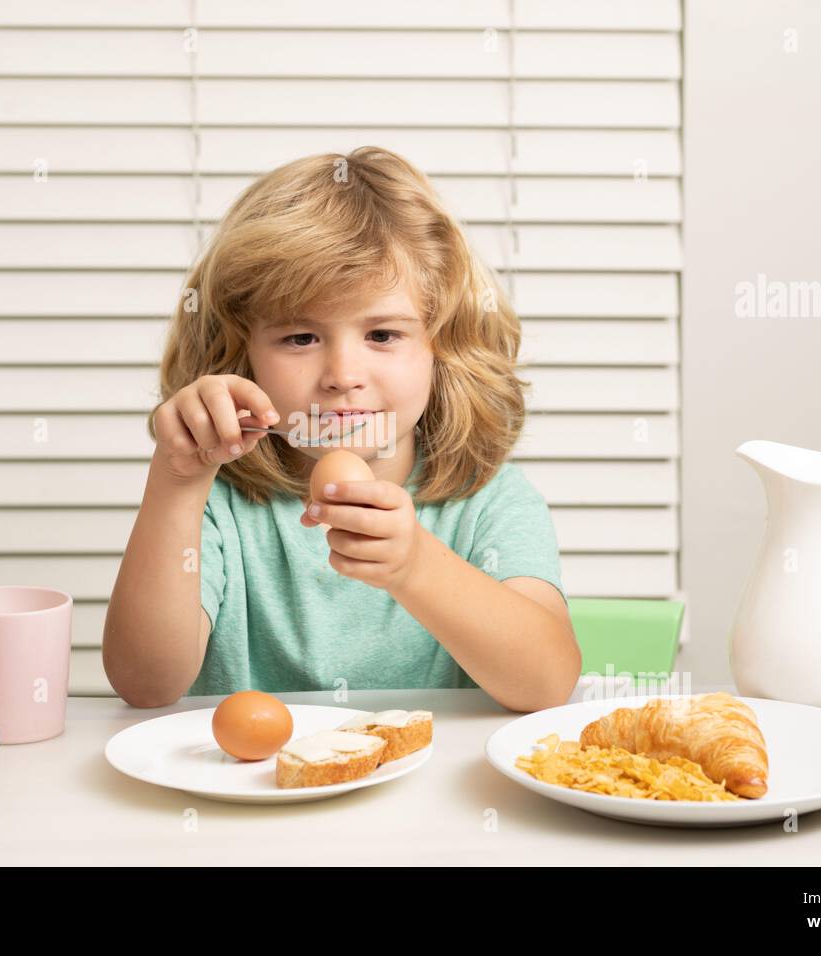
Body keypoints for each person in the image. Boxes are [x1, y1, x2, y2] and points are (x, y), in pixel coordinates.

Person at [102, 146, 581, 712]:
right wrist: (176, 485)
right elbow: (144, 682)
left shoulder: (488, 500)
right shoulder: (218, 501)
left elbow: (547, 681)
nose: (342, 376)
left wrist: (415, 565)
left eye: (382, 335)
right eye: (300, 338)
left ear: (441, 349)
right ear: (240, 354)